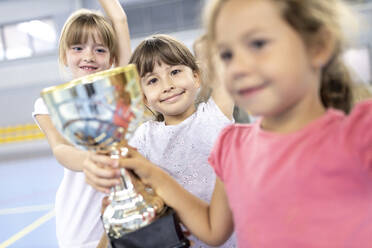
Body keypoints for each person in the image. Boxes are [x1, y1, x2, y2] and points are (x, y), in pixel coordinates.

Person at [104, 0, 372, 247]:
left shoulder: (360, 132)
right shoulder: (232, 146)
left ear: (317, 46)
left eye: (257, 44)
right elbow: (212, 229)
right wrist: (144, 175)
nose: (239, 66)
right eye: (227, 54)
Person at [84, 34, 237, 247]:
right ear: (143, 97)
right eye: (153, 80)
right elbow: (126, 193)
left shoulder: (215, 113)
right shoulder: (144, 137)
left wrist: (205, 50)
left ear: (196, 77)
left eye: (175, 72)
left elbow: (222, 55)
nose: (167, 85)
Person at [32, 1, 131, 247]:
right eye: (78, 47)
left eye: (100, 50)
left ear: (112, 58)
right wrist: (89, 161)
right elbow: (60, 149)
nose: (88, 56)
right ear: (64, 55)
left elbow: (119, 19)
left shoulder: (121, 91)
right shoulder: (48, 104)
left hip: (128, 217)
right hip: (80, 225)